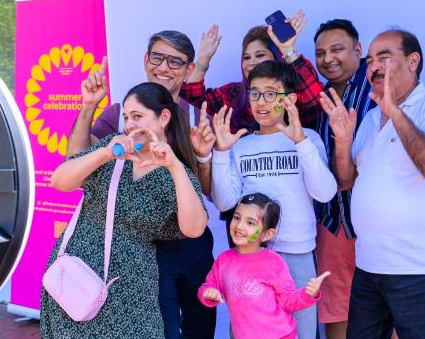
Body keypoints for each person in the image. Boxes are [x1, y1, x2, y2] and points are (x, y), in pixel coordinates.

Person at [312, 19, 425, 339]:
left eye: (384, 56)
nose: (374, 66)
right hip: (370, 268)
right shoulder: (369, 118)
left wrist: (394, 109)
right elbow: (346, 181)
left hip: (424, 269)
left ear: (413, 61)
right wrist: (342, 141)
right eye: (370, 60)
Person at [65, 30, 217, 339]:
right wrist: (87, 108)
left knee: (201, 329)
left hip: (192, 244)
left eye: (175, 61)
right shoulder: (122, 115)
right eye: (158, 57)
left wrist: (203, 158)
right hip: (147, 250)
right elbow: (75, 161)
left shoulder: (198, 118)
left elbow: (208, 192)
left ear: (189, 70)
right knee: (162, 332)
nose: (164, 67)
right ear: (146, 61)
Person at [41, 82, 208, 338]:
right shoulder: (111, 148)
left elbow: (194, 228)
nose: (129, 124)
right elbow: (60, 181)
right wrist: (105, 154)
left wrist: (174, 166)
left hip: (131, 287)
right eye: (127, 117)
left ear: (164, 117)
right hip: (78, 275)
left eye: (137, 116)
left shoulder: (177, 172)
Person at [210, 60, 337, 339]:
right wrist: (220, 153)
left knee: (302, 332)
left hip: (297, 254)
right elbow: (224, 202)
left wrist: (301, 142)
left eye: (271, 94)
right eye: (254, 93)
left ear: (289, 99)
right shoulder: (241, 146)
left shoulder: (308, 139)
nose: (261, 101)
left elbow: (325, 193)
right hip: (250, 256)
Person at [198, 193, 330, 339]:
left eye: (250, 222)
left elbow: (288, 300)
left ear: (267, 234)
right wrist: (209, 293)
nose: (240, 225)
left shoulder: (274, 262)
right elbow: (207, 287)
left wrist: (307, 294)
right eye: (236, 217)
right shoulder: (223, 260)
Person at [180, 10, 324, 133]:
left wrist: (288, 50)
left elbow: (315, 103)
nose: (251, 63)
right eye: (246, 57)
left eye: (260, 55)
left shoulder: (291, 93)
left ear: (276, 58)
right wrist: (203, 61)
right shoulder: (232, 93)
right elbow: (190, 107)